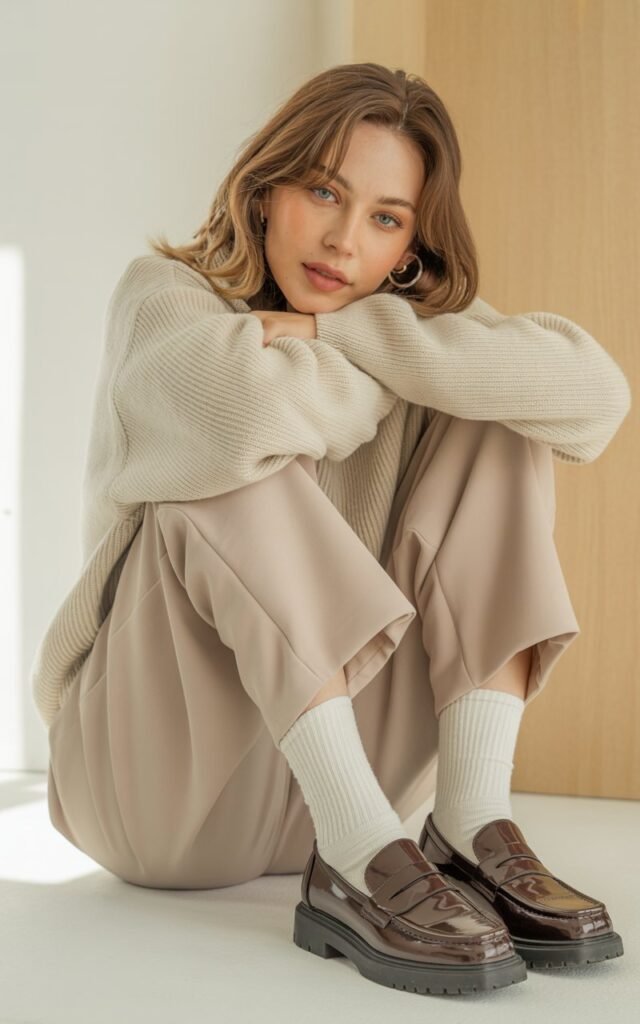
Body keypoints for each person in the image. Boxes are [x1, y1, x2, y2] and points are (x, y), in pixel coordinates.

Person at [36, 63, 630, 995]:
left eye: (387, 219)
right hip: (156, 788)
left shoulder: (387, 318)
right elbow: (235, 413)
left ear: (408, 248)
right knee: (228, 453)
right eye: (324, 192)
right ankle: (360, 852)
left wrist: (346, 334)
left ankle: (469, 822)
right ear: (266, 188)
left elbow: (593, 398)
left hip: (351, 793)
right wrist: (391, 357)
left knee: (498, 409)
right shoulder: (164, 295)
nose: (344, 241)